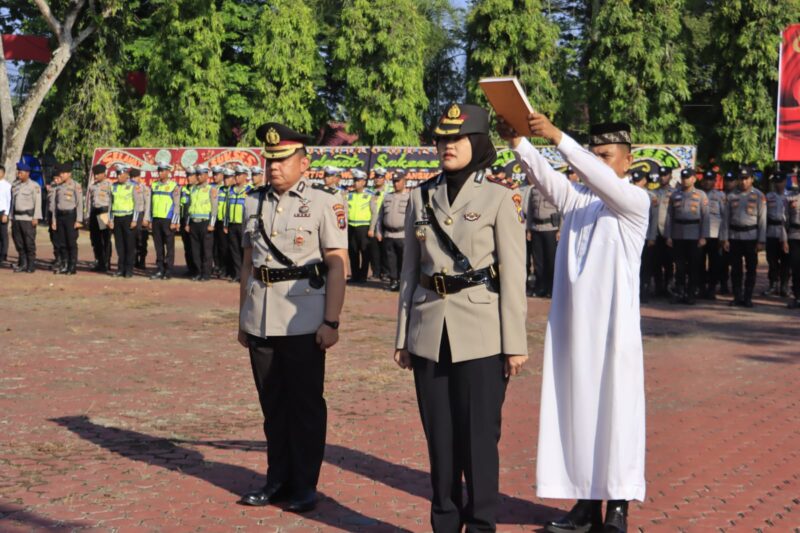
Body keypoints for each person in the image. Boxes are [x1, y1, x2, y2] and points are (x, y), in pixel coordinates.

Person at [502, 115, 650, 532]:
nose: (598, 163)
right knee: (577, 412)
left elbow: (594, 178)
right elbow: (549, 181)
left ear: (627, 160)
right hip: (573, 332)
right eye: (595, 155)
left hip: (613, 336)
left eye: (606, 156)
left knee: (616, 415)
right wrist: (520, 144)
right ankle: (585, 505)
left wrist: (557, 137)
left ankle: (617, 506)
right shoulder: (579, 201)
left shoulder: (635, 203)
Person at [395, 104, 528, 532]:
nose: (446, 146)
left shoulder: (498, 198)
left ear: (477, 142)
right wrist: (402, 336)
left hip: (483, 333)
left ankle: (483, 523)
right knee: (441, 439)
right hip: (429, 329)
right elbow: (410, 273)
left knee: (479, 440)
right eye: (442, 139)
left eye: (456, 138)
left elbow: (513, 275)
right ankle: (445, 523)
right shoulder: (420, 196)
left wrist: (515, 345)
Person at [237, 122, 347, 513]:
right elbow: (248, 264)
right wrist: (242, 319)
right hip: (261, 316)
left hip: (303, 318)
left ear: (304, 163)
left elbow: (337, 265)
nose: (274, 167)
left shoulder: (324, 202)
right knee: (272, 405)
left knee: (304, 405)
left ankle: (304, 485)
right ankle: (277, 479)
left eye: (283, 160)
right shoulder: (253, 202)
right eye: (270, 161)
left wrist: (331, 322)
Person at [721, 166, 767, 307]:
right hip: (734, 237)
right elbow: (725, 219)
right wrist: (725, 238)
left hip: (751, 238)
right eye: (741, 179)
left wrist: (761, 240)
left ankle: (748, 298)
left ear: (752, 179)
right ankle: (737, 296)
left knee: (751, 268)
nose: (744, 182)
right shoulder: (731, 196)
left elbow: (762, 219)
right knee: (735, 269)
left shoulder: (759, 196)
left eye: (746, 179)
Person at [664, 168, 709, 305]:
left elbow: (705, 217)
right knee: (679, 266)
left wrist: (703, 236)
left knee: (694, 266)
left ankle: (691, 294)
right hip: (678, 234)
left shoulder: (701, 195)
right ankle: (679, 292)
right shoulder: (675, 195)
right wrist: (668, 235)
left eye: (688, 177)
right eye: (683, 178)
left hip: (694, 234)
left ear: (694, 179)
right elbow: (669, 216)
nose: (685, 180)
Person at [374, 169, 409, 291]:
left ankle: (404, 282)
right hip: (389, 234)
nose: (396, 184)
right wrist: (378, 231)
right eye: (394, 181)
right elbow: (380, 216)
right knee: (391, 260)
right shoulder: (387, 197)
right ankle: (394, 281)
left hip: (403, 234)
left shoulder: (410, 197)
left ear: (404, 181)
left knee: (404, 261)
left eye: (398, 181)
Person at [525, 177, 561, 298]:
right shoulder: (533, 190)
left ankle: (551, 289)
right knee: (538, 262)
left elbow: (561, 210)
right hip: (536, 228)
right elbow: (530, 210)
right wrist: (529, 228)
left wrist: (560, 229)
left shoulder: (554, 190)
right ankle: (540, 287)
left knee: (551, 261)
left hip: (550, 229)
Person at [184, 166, 217, 281]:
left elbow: (214, 209)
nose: (199, 176)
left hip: (205, 223)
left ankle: (206, 273)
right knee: (195, 250)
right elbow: (190, 208)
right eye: (197, 174)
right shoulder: (193, 189)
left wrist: (212, 224)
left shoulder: (210, 189)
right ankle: (198, 272)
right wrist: (187, 223)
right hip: (193, 222)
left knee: (206, 251)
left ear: (207, 175)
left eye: (201, 174)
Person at [49, 162, 83, 275]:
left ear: (69, 174)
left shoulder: (75, 185)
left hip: (71, 216)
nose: (61, 175)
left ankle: (72, 266)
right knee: (61, 242)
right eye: (61, 173)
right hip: (60, 216)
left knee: (71, 242)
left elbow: (79, 204)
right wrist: (53, 220)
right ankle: (64, 264)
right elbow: (54, 205)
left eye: (63, 173)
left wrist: (79, 220)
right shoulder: (58, 187)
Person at [148, 163, 181, 280]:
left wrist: (175, 221)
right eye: (159, 171)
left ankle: (168, 270)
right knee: (158, 246)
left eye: (163, 171)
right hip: (156, 219)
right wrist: (150, 219)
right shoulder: (154, 185)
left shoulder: (174, 186)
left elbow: (177, 205)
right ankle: (160, 269)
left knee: (169, 246)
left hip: (168, 220)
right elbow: (150, 204)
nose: (160, 173)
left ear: (168, 172)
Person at [108, 166, 141, 278]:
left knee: (129, 245)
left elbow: (137, 204)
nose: (118, 177)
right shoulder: (114, 187)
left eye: (120, 174)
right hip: (117, 217)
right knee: (119, 245)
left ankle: (129, 269)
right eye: (117, 174)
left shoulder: (133, 186)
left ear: (126, 175)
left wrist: (135, 219)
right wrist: (110, 219)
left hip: (128, 218)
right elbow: (111, 205)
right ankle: (120, 269)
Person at [647, 166, 675, 297]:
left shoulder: (675, 192)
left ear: (670, 176)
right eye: (661, 175)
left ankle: (668, 288)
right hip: (655, 233)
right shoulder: (653, 192)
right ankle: (658, 288)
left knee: (669, 262)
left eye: (665, 175)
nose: (663, 177)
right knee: (656, 262)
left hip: (669, 233)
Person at [699, 170, 727, 299]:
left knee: (714, 263)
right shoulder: (697, 194)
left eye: (711, 179)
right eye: (706, 179)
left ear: (715, 181)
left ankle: (711, 289)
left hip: (715, 235)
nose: (708, 182)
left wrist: (723, 237)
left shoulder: (720, 196)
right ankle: (701, 288)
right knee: (698, 262)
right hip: (700, 235)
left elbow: (724, 217)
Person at [9, 162, 41, 273]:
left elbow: (38, 203)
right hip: (17, 218)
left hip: (28, 218)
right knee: (18, 242)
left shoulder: (34, 186)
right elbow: (12, 202)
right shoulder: (15, 185)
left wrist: (36, 217)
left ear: (27, 173)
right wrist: (11, 217)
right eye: (18, 171)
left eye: (21, 172)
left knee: (29, 242)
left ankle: (31, 265)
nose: (19, 174)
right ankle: (22, 264)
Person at [763, 172, 789, 297]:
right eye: (776, 182)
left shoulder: (791, 196)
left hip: (786, 232)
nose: (778, 184)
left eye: (780, 182)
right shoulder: (768, 196)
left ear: (785, 181)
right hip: (771, 231)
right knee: (772, 260)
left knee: (786, 261)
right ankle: (773, 285)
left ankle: (784, 286)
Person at [224, 165, 252, 282]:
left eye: (239, 175)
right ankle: (237, 274)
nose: (236, 177)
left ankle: (247, 275)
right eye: (235, 175)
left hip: (243, 225)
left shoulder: (250, 190)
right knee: (234, 250)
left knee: (245, 251)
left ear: (245, 176)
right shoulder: (230, 190)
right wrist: (226, 224)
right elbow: (227, 209)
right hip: (232, 224)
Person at [346, 169, 374, 283]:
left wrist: (372, 228)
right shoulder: (349, 195)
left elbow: (374, 213)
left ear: (363, 182)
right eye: (354, 180)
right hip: (351, 227)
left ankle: (363, 276)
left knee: (365, 253)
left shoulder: (369, 196)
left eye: (358, 180)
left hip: (364, 227)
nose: (355, 182)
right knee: (353, 253)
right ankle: (355, 275)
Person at [87, 164, 113, 272]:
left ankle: (106, 262)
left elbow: (112, 202)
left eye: (98, 174)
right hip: (94, 212)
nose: (96, 176)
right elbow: (89, 202)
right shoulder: (92, 186)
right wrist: (88, 216)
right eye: (94, 174)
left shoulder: (109, 185)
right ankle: (99, 261)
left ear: (104, 174)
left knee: (105, 239)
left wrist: (111, 217)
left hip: (104, 212)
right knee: (95, 239)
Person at [719, 170, 739, 294]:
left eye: (731, 181)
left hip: (734, 233)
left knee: (735, 262)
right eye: (726, 180)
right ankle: (723, 284)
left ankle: (736, 286)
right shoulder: (719, 195)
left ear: (735, 182)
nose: (728, 183)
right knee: (722, 262)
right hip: (720, 232)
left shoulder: (738, 196)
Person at [212, 165, 231, 279]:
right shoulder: (217, 189)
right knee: (217, 247)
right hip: (218, 221)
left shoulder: (231, 190)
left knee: (226, 247)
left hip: (228, 221)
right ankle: (219, 267)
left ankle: (227, 269)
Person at [131, 168, 150, 269]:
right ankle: (134, 260)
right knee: (132, 239)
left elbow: (147, 204)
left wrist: (146, 218)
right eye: (133, 177)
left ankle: (142, 260)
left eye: (136, 177)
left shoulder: (144, 188)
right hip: (131, 216)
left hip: (141, 216)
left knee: (142, 239)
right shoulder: (129, 187)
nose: (135, 179)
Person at [181, 168, 198, 277]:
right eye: (187, 176)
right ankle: (190, 268)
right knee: (187, 247)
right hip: (184, 220)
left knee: (195, 247)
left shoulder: (198, 189)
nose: (189, 178)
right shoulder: (184, 189)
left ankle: (197, 269)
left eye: (191, 176)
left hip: (193, 221)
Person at [786, 183, 800, 308]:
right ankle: (797, 297)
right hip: (794, 235)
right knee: (796, 268)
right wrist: (784, 238)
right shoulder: (791, 197)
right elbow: (785, 218)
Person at [0, 165, 10, 267]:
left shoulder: (7, 185)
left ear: (3, 173)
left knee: (3, 235)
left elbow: (9, 200)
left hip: (2, 212)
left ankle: (3, 255)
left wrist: (6, 214)